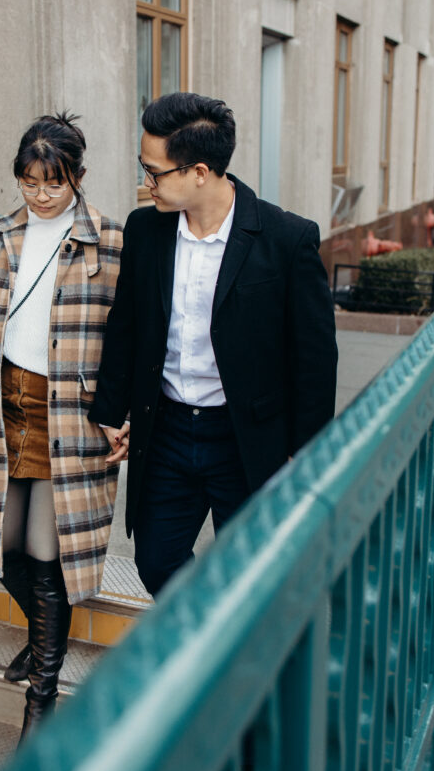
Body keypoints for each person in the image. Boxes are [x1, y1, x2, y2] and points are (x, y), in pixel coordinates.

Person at [89, 92, 337, 597]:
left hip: (248, 437)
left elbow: (315, 359)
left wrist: (303, 453)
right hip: (169, 431)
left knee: (253, 572)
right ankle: (202, 642)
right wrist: (112, 410)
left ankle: (236, 663)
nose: (146, 182)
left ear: (199, 171)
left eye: (154, 172)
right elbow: (127, 323)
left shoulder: (286, 238)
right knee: (156, 561)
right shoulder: (146, 230)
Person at [0, 112, 122, 739]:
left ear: (78, 178)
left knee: (45, 548)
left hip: (67, 412)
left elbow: (132, 334)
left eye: (53, 183)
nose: (40, 194)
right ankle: (43, 640)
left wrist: (124, 414)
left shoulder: (110, 242)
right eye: (30, 182)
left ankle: (43, 692)